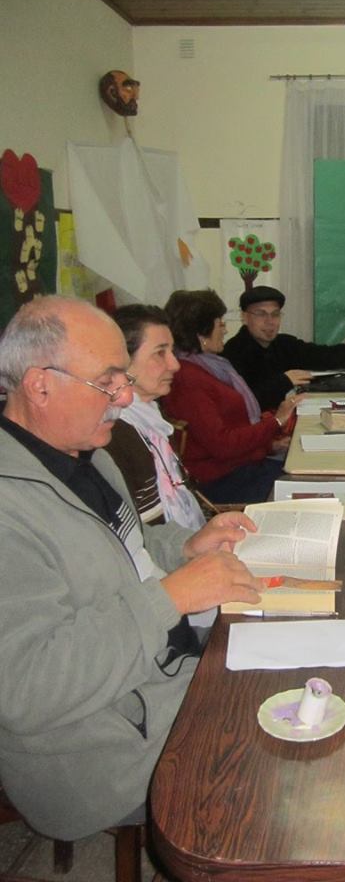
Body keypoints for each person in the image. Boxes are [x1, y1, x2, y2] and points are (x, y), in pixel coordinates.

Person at [0, 296, 261, 841]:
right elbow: (26, 690)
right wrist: (170, 597)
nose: (123, 396)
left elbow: (126, 548)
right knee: (280, 755)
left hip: (159, 674)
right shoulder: (9, 510)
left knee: (296, 674)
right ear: (39, 386)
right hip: (99, 752)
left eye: (123, 377)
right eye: (107, 382)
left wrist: (186, 547)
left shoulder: (86, 454)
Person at [163, 289, 298, 504]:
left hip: (240, 467)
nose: (225, 330)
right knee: (311, 484)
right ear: (202, 334)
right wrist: (277, 421)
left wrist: (270, 446)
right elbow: (223, 444)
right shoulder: (188, 379)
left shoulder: (209, 367)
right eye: (220, 324)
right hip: (222, 481)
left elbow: (229, 432)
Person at [222, 285, 345, 410]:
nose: (270, 322)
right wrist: (284, 381)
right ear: (244, 317)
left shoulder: (283, 344)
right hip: (260, 440)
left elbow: (327, 356)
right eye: (261, 314)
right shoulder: (232, 354)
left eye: (275, 314)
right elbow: (242, 405)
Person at [106, 303, 205, 530]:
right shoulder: (112, 435)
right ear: (122, 360)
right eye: (160, 353)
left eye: (172, 352)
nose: (175, 365)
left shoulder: (152, 421)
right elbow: (141, 534)